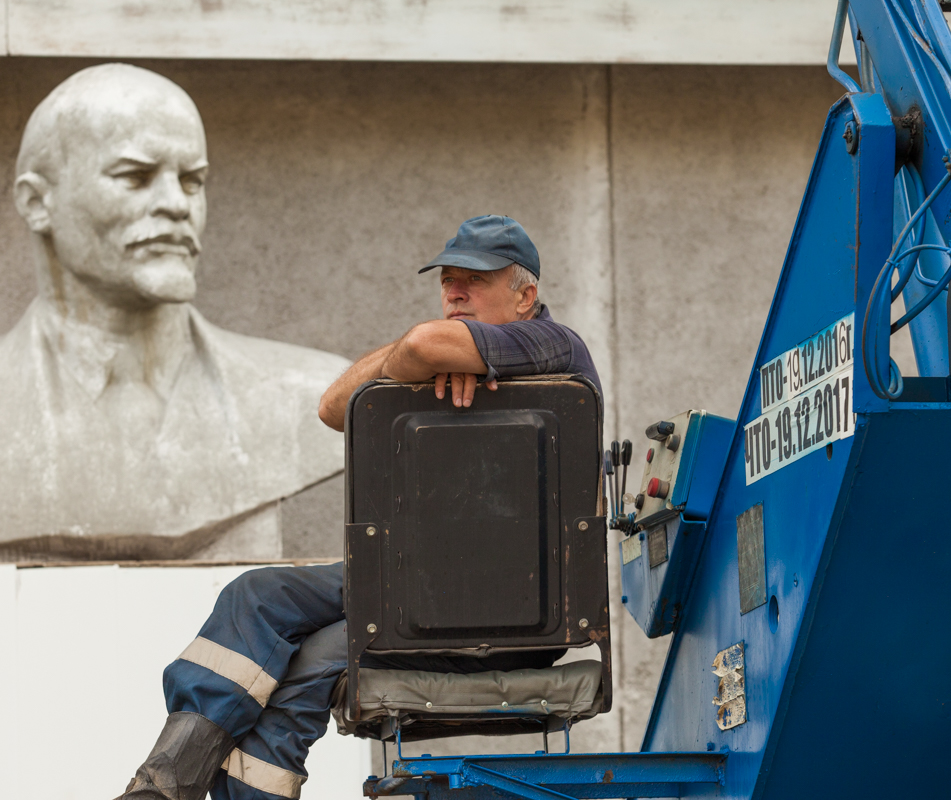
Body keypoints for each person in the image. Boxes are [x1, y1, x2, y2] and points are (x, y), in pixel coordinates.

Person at [119, 215, 601, 800]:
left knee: (302, 646)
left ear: (525, 296)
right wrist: (421, 358)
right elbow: (333, 405)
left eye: (473, 280)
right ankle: (168, 784)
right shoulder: (449, 360)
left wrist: (425, 353)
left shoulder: (555, 345)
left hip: (505, 607)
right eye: (448, 281)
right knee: (260, 600)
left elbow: (424, 344)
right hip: (423, 590)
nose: (454, 293)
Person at [0, 64, 348, 560]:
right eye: (135, 176)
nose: (177, 204)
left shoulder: (311, 394)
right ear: (37, 203)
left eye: (192, 181)